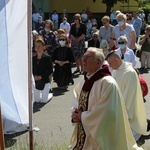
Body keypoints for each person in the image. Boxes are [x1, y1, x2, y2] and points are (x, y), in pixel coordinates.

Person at [70, 47, 143, 150]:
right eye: (84, 56)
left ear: (98, 62)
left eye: (88, 57)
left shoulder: (107, 83)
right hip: (85, 132)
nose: (83, 60)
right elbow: (76, 97)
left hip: (101, 138)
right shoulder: (85, 79)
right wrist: (75, 112)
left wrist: (83, 116)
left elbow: (105, 113)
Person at [106, 51, 147, 141]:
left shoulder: (130, 72)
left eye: (110, 63)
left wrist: (120, 110)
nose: (110, 66)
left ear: (116, 60)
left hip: (126, 107)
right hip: (116, 104)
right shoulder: (116, 71)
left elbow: (129, 96)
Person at [32, 37, 53, 103]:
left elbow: (50, 70)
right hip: (36, 81)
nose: (37, 48)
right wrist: (34, 76)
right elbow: (31, 70)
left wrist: (41, 76)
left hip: (45, 80)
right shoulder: (33, 58)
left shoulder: (47, 57)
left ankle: (50, 94)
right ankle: (42, 94)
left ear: (43, 47)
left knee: (44, 101)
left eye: (39, 46)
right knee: (37, 100)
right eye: (36, 46)